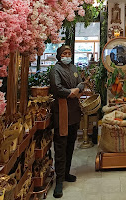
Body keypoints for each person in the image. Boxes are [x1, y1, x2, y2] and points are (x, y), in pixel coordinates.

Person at [50, 45, 85, 198]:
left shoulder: (74, 68)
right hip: (62, 112)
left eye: (69, 53)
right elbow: (56, 88)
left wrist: (78, 89)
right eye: (64, 53)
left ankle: (66, 173)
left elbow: (81, 82)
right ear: (59, 56)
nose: (67, 55)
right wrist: (71, 93)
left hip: (74, 112)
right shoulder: (55, 70)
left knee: (71, 144)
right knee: (60, 146)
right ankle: (58, 181)